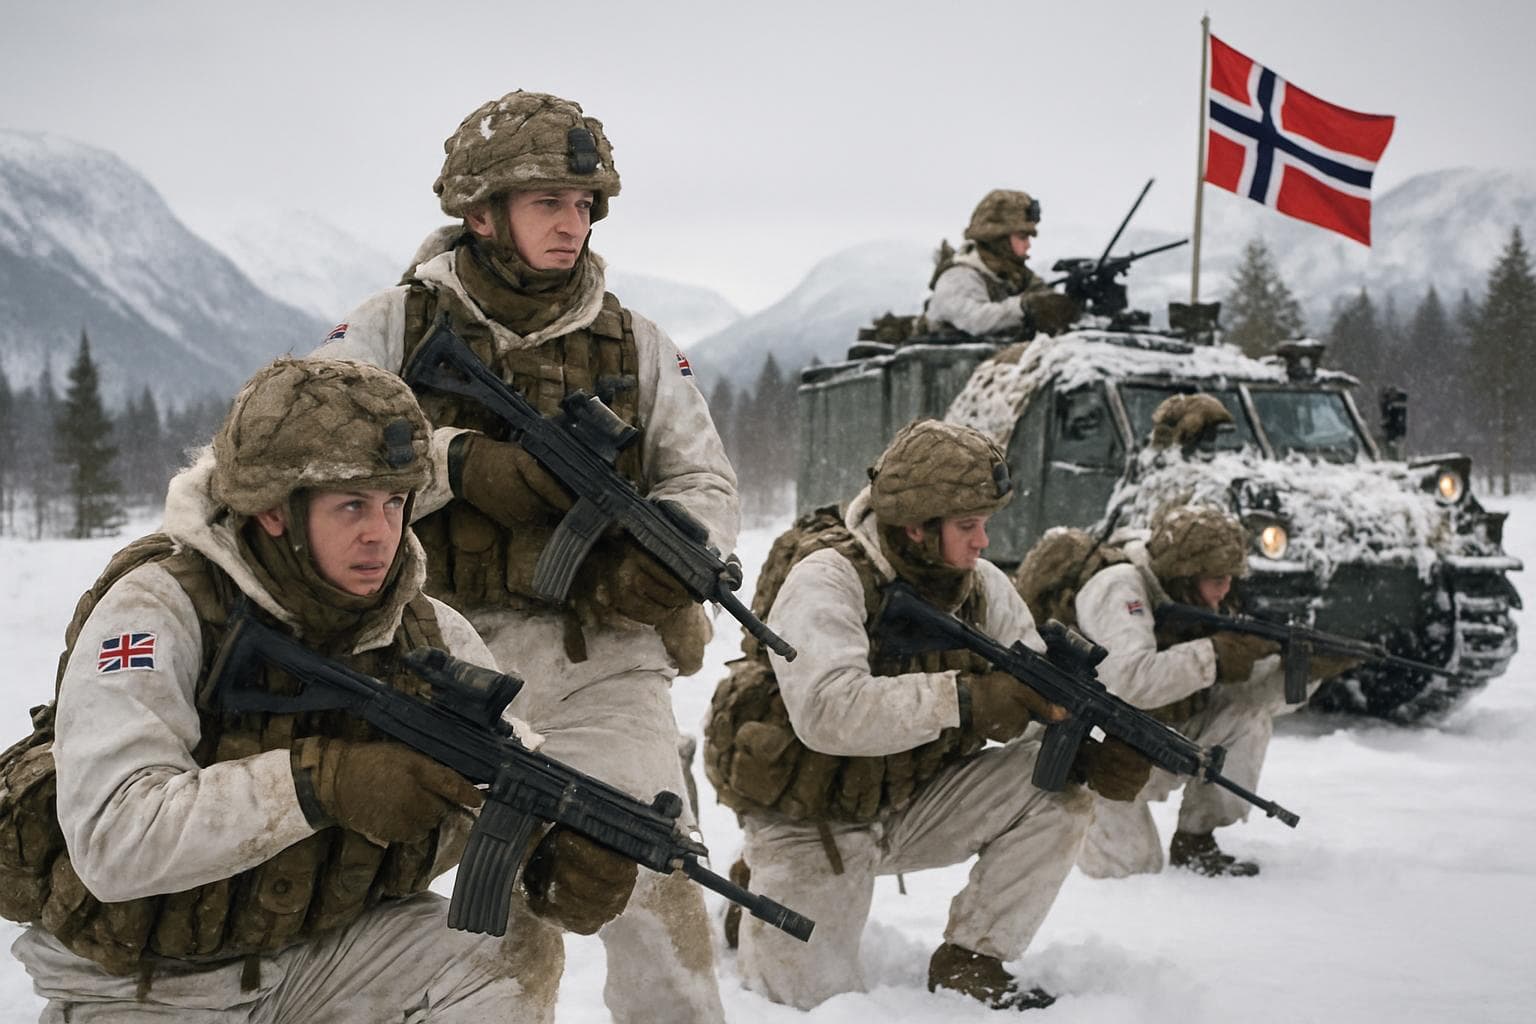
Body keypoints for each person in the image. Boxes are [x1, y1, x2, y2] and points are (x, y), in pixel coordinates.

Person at [1, 358, 636, 1022]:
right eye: (352, 505)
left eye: (395, 503)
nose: (380, 534)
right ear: (274, 509)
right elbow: (112, 839)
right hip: (147, 986)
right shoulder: (156, 611)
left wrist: (548, 859)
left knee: (508, 956)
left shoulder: (427, 632)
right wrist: (321, 784)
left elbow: (497, 780)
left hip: (325, 958)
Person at [315, 90, 735, 1023]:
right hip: (433, 657)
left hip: (601, 661)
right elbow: (305, 458)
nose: (571, 224)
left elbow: (705, 481)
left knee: (655, 869)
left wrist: (672, 557)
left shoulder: (637, 343)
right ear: (481, 213)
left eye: (584, 205)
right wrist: (459, 465)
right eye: (549, 202)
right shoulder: (390, 328)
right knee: (481, 925)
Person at [703, 419, 1148, 1012]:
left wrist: (1085, 747)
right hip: (811, 813)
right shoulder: (828, 576)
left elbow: (1030, 688)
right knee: (812, 1006)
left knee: (1056, 788)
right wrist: (965, 699)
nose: (983, 541)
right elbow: (826, 710)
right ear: (916, 526)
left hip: (908, 796)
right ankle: (758, 880)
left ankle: (972, 959)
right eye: (968, 526)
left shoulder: (980, 587)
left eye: (984, 524)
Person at [1070, 501, 1339, 878]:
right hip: (1088, 754)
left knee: (1247, 719)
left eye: (1230, 579)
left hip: (1144, 739)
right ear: (1185, 575)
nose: (1225, 590)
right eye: (1217, 580)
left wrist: (1306, 671)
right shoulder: (1119, 587)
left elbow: (1248, 696)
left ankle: (1196, 841)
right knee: (1131, 874)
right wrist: (1213, 654)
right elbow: (1128, 681)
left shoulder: (1192, 598)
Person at [924, 189, 1078, 339]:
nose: (1028, 245)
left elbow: (1045, 299)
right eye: (1022, 237)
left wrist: (1070, 300)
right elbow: (976, 320)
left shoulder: (1014, 275)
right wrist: (1024, 307)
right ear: (999, 240)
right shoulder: (959, 276)